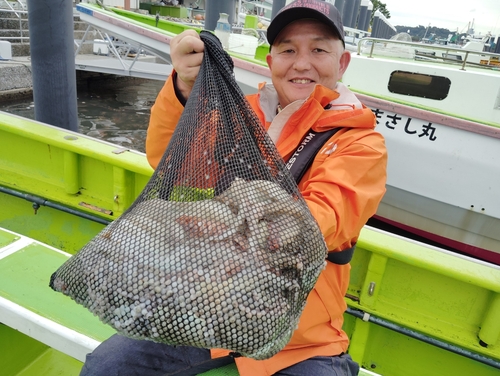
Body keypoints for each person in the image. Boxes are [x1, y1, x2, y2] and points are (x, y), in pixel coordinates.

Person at [80, 1, 387, 375]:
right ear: (271, 61)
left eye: (318, 49)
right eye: (288, 50)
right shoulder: (241, 113)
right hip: (202, 313)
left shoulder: (361, 144)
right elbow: (172, 161)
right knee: (106, 367)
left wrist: (214, 214)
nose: (302, 63)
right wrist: (184, 85)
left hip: (302, 342)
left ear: (342, 63)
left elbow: (318, 222)